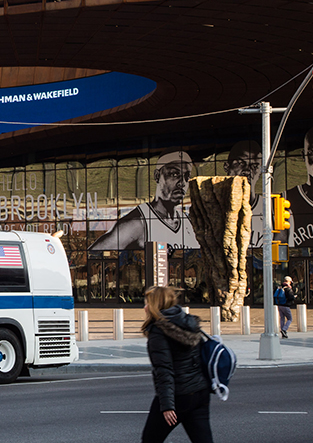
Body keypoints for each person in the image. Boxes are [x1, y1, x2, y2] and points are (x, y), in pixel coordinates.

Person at [141, 286, 212, 443]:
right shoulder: (188, 322)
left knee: (150, 440)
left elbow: (164, 370)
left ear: (155, 305)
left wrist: (167, 405)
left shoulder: (158, 331)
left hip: (179, 395)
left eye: (147, 303)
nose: (145, 307)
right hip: (200, 392)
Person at [91, 151, 200, 251]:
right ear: (157, 176)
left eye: (187, 176)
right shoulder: (137, 223)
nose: (182, 183)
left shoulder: (188, 221)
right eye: (174, 174)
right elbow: (94, 255)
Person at [223, 140, 263, 247]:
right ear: (227, 167)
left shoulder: (270, 210)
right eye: (240, 163)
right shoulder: (213, 208)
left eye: (254, 166)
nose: (247, 171)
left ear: (260, 172)